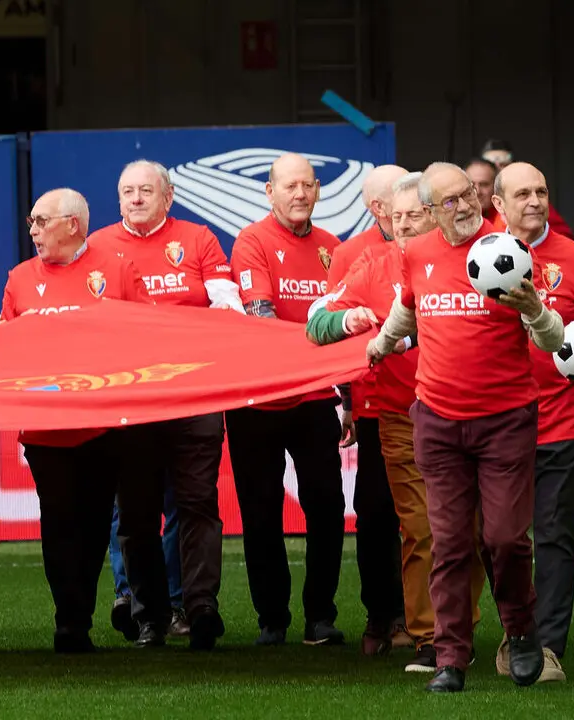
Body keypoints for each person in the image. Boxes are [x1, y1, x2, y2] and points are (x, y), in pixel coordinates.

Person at [368, 161, 565, 692]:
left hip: (505, 420)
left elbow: (552, 342)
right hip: (437, 420)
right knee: (450, 543)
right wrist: (382, 345)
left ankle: (520, 632)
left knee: (503, 538)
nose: (464, 206)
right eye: (450, 201)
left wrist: (536, 311)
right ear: (429, 211)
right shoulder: (417, 252)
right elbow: (408, 311)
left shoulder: (509, 250)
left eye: (469, 195)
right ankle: (451, 658)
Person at [307, 171, 486, 673]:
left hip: (473, 410)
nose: (404, 225)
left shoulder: (474, 256)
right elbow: (316, 321)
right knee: (423, 528)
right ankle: (432, 639)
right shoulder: (373, 264)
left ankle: (460, 630)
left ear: (434, 214)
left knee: (470, 531)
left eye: (415, 215)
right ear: (383, 217)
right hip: (401, 416)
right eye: (396, 216)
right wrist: (350, 321)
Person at [88, 159, 242, 649]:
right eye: (127, 191)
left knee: (198, 505)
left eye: (145, 191)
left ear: (167, 196)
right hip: (130, 401)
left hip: (195, 395)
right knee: (135, 513)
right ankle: (147, 613)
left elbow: (229, 306)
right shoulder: (97, 248)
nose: (135, 198)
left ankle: (198, 609)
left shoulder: (198, 240)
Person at [1, 188, 155, 652]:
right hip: (46, 431)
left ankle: (80, 615)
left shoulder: (118, 269)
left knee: (92, 529)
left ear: (72, 224)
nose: (32, 231)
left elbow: (150, 337)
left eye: (40, 221)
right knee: (59, 525)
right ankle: (69, 621)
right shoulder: (20, 278)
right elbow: (3, 347)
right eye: (30, 222)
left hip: (105, 428)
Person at [492, 162, 574, 683]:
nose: (534, 201)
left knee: (553, 536)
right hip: (494, 422)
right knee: (498, 538)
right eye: (522, 193)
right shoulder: (478, 258)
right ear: (498, 204)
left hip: (560, 422)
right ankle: (516, 630)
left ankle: (547, 649)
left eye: (541, 191)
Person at [228, 152, 348, 647]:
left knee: (327, 507)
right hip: (258, 400)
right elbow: (262, 316)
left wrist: (349, 396)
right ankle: (272, 619)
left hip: (316, 396)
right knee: (261, 512)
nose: (299, 194)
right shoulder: (251, 242)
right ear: (269, 192)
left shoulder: (333, 248)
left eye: (307, 185)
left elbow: (347, 325)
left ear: (318, 190)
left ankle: (320, 617)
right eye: (288, 186)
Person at [325, 163, 409, 656]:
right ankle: (381, 616)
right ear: (378, 208)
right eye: (399, 200)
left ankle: (429, 620)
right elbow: (336, 331)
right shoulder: (351, 255)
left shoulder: (438, 247)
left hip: (434, 404)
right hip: (377, 407)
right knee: (375, 512)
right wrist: (349, 403)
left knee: (430, 519)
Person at [465, 158, 498, 223]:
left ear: (496, 187)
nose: (477, 192)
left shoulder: (508, 224)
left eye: (484, 185)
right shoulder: (449, 221)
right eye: (471, 185)